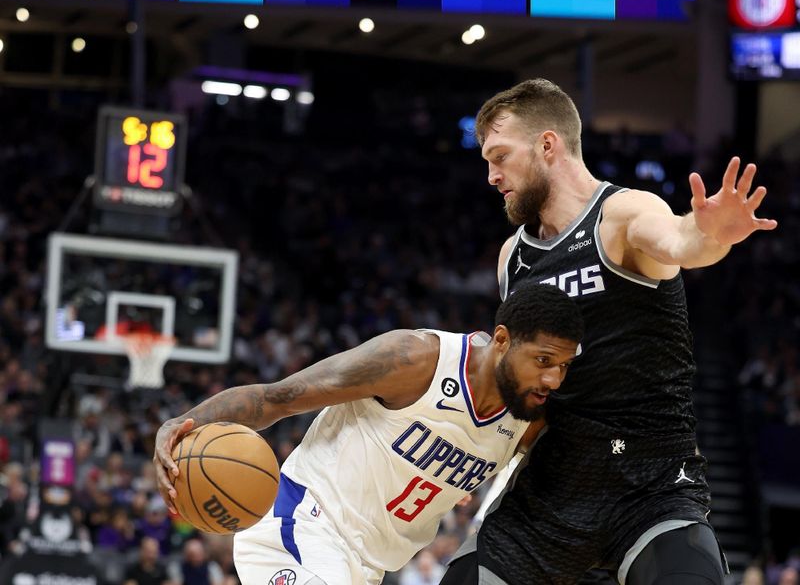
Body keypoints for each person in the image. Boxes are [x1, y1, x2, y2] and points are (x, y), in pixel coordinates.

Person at [440, 78, 778, 585]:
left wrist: (711, 235)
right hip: (553, 490)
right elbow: (520, 384)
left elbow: (680, 242)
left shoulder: (622, 214)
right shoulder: (513, 257)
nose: (491, 175)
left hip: (651, 485)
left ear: (547, 145)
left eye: (499, 156)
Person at [153, 283, 584, 585]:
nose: (552, 379)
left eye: (562, 366)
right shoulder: (415, 361)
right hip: (303, 528)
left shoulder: (527, 417)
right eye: (543, 360)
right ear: (503, 341)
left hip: (369, 568)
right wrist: (182, 425)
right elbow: (278, 398)